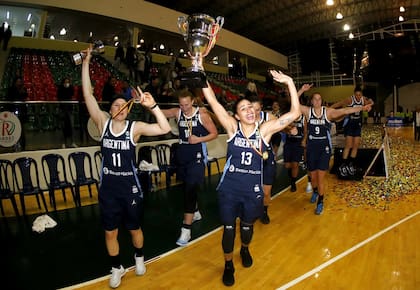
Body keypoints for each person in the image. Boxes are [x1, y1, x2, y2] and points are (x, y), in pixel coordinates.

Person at [81, 45, 171, 289]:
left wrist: (152, 107)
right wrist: (87, 62)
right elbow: (88, 95)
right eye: (114, 105)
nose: (119, 107)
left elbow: (165, 129)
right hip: (109, 187)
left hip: (130, 187)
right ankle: (116, 268)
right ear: (110, 110)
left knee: (134, 228)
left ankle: (139, 258)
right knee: (110, 232)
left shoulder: (135, 128)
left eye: (123, 104)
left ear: (129, 109)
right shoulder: (102, 123)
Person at [202, 69, 301, 286]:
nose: (249, 110)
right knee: (228, 230)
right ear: (237, 115)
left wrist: (290, 83)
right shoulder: (231, 128)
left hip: (251, 193)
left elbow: (294, 114)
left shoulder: (265, 131)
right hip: (229, 190)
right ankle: (228, 265)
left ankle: (245, 249)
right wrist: (200, 70)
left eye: (251, 108)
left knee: (246, 229)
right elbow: (212, 100)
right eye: (243, 108)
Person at [161, 89, 218, 246]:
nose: (184, 107)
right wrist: (146, 103)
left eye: (186, 104)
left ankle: (186, 229)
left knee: (191, 188)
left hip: (197, 157)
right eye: (181, 104)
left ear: (192, 101)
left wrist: (199, 139)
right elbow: (160, 113)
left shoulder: (202, 115)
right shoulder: (178, 112)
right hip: (182, 156)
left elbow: (214, 133)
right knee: (187, 187)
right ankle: (196, 212)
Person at [299, 92, 372, 215]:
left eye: (319, 99)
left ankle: (320, 202)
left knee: (321, 178)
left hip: (324, 149)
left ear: (321, 101)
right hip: (312, 148)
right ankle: (315, 191)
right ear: (311, 101)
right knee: (313, 177)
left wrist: (362, 108)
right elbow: (295, 103)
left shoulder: (328, 112)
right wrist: (300, 90)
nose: (317, 101)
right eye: (315, 99)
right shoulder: (307, 112)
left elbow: (345, 110)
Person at [330, 87, 374, 178]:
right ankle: (343, 165)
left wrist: (370, 105)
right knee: (348, 145)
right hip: (349, 123)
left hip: (357, 124)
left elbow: (371, 103)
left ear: (361, 95)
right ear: (354, 94)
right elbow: (339, 103)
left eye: (359, 95)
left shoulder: (363, 99)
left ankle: (351, 164)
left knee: (356, 145)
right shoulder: (350, 100)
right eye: (357, 95)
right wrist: (330, 108)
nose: (358, 97)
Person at [248, 95, 277, 224]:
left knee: (266, 191)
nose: (255, 113)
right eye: (252, 109)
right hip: (252, 157)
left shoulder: (268, 118)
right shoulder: (246, 119)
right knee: (252, 189)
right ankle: (253, 210)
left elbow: (281, 123)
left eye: (258, 109)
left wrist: (290, 128)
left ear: (261, 108)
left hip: (266, 156)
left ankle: (264, 211)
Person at [57, 77, 77, 148]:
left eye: (68, 82)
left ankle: (72, 142)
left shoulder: (71, 88)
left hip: (70, 109)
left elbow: (71, 94)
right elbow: (59, 97)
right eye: (65, 82)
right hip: (62, 110)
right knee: (63, 127)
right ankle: (63, 143)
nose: (67, 83)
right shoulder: (60, 89)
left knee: (71, 126)